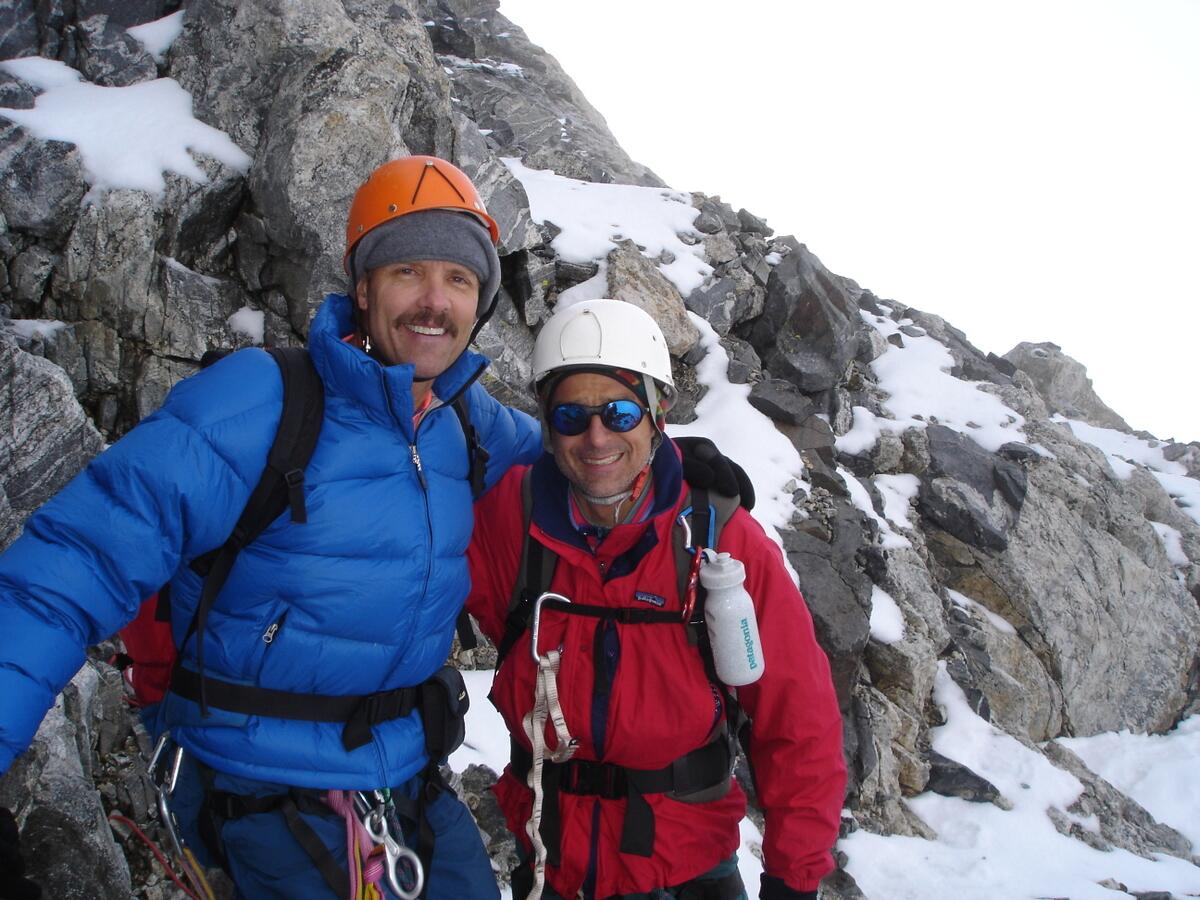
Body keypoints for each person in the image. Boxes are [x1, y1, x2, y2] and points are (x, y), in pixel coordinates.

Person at [0, 155, 544, 898]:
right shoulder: (262, 401)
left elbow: (582, 453)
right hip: (263, 784)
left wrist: (674, 461)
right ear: (362, 287)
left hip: (407, 781)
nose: (434, 301)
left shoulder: (463, 420)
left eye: (459, 280)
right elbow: (70, 571)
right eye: (407, 270)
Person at [465, 299, 847, 900]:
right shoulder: (510, 522)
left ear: (656, 414)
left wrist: (794, 877)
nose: (596, 438)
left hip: (685, 870)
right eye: (570, 415)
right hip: (550, 866)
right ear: (546, 423)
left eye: (619, 413)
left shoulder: (718, 539)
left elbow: (797, 718)